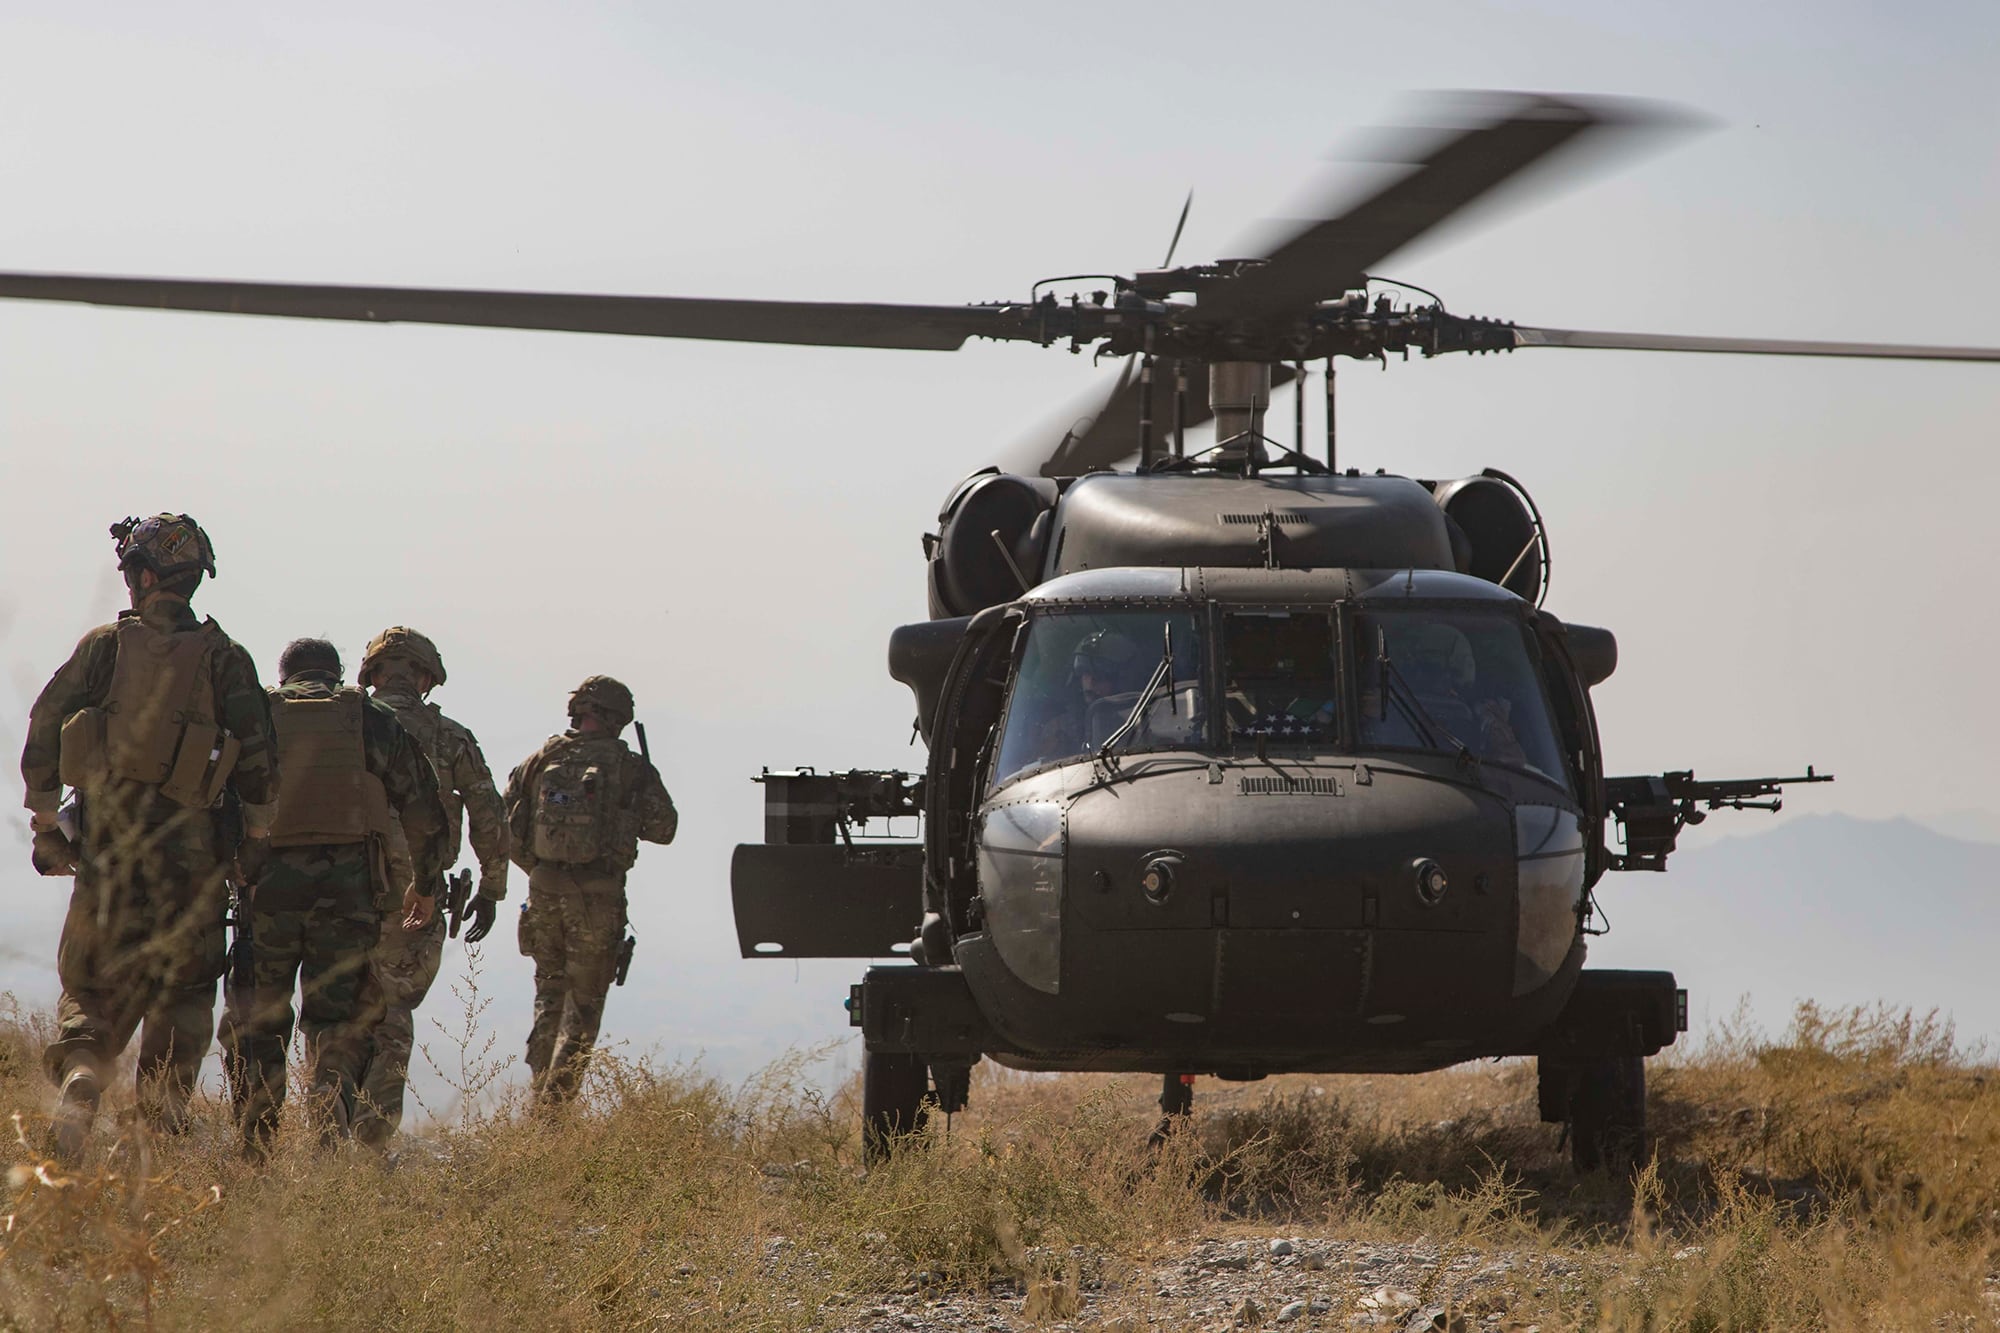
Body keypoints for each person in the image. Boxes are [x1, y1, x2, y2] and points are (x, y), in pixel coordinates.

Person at [21, 515, 278, 1162]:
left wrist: (47, 822)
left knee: (91, 983)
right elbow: (259, 769)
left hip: (107, 852)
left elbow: (46, 721)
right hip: (194, 867)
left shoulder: (104, 646)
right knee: (186, 991)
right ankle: (157, 1130)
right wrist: (252, 845)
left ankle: (83, 1073)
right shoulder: (228, 659)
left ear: (141, 576)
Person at [223, 637, 447, 1156]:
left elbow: (218, 796)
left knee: (259, 1017)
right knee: (341, 1017)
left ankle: (256, 1145)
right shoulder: (366, 716)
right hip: (349, 894)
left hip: (267, 893)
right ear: (338, 672)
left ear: (283, 677)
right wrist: (425, 885)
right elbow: (423, 807)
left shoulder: (258, 715)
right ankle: (329, 1102)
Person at [349, 626, 509, 1149]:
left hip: (335, 886)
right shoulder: (449, 736)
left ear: (372, 674)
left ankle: (324, 1142)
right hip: (413, 891)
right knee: (392, 1012)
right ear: (424, 676)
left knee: (335, 1010)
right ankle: (370, 1148)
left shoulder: (339, 721)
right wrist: (491, 889)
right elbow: (489, 813)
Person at [504, 676, 676, 1106]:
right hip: (597, 900)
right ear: (619, 718)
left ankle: (537, 1095)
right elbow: (664, 829)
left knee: (548, 994)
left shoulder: (542, 758)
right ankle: (554, 1113)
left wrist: (542, 872)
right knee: (583, 1007)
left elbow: (506, 826)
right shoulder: (630, 767)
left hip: (543, 894)